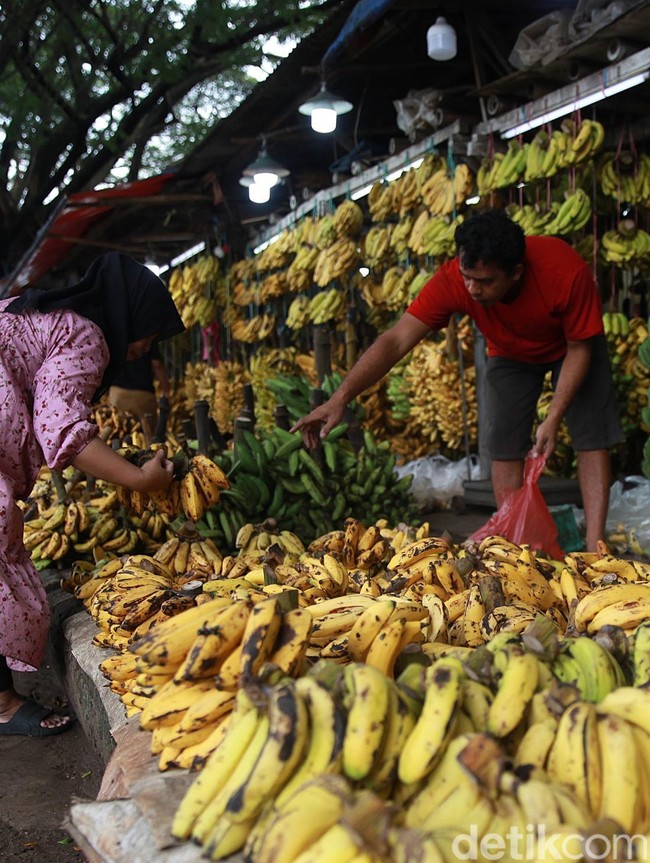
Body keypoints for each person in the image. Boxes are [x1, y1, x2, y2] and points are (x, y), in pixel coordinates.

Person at [292, 208, 623, 553]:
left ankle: (595, 547)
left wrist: (553, 417)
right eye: (468, 277)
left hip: (573, 346)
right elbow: (396, 340)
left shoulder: (565, 271)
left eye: (485, 281)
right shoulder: (455, 278)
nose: (472, 289)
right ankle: (515, 548)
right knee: (503, 442)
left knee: (591, 435)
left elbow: (579, 349)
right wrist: (340, 397)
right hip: (510, 353)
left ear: (516, 272)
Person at [0, 251, 184, 736]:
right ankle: (1, 705)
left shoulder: (46, 314)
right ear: (130, 315)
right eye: (149, 335)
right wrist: (141, 480)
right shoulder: (86, 333)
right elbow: (62, 429)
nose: (143, 349)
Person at [108, 343, 172, 441]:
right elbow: (157, 364)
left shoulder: (118, 336)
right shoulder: (147, 337)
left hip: (118, 393)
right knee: (147, 435)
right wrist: (166, 389)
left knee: (117, 433)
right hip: (143, 394)